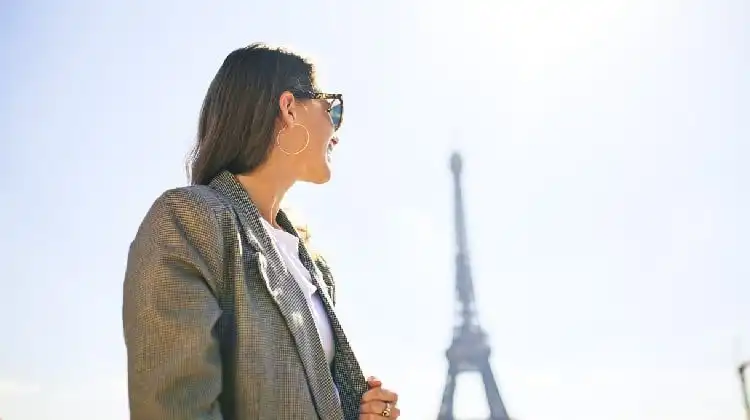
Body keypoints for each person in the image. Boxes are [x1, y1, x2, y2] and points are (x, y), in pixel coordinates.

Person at [122, 43, 400, 420]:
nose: (336, 129)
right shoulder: (189, 221)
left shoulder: (310, 262)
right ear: (288, 109)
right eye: (332, 108)